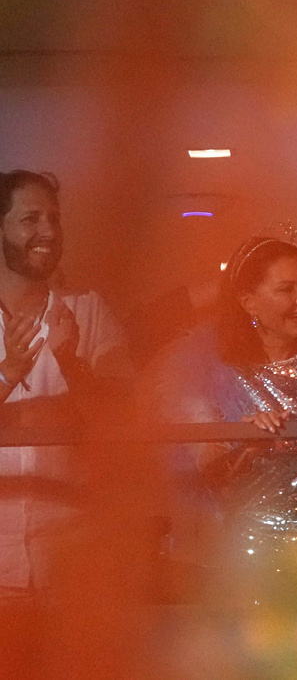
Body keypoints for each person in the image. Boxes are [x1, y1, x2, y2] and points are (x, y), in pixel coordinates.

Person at [152, 235, 297, 586]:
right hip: (259, 555)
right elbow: (207, 485)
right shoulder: (212, 379)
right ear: (249, 302)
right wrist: (245, 443)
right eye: (286, 290)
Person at [0, 170, 125, 597]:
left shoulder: (89, 313)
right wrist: (6, 375)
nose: (48, 232)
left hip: (70, 558)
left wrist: (72, 363)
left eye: (54, 219)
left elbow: (122, 427)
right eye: (30, 219)